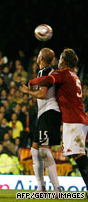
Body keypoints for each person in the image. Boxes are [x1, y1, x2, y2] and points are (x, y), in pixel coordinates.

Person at [28, 48, 88, 192]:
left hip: (73, 120)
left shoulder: (65, 74)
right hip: (77, 120)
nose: (58, 62)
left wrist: (30, 83)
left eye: (60, 59)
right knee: (77, 155)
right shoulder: (74, 75)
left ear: (64, 61)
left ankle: (55, 188)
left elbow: (48, 80)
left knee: (79, 156)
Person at [20, 48, 61, 195]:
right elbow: (38, 96)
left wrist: (28, 92)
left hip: (49, 112)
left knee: (43, 151)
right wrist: (32, 94)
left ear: (41, 58)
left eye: (38, 55)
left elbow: (43, 94)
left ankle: (57, 188)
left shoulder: (45, 72)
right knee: (35, 150)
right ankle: (41, 187)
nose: (36, 57)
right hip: (44, 113)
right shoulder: (44, 72)